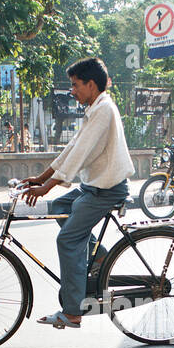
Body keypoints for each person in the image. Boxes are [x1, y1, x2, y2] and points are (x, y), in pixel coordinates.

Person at [20, 57, 134, 329]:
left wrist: (46, 186)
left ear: (91, 85)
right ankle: (101, 255)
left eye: (75, 85)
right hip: (94, 185)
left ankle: (72, 311)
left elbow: (80, 154)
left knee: (68, 240)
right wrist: (42, 177)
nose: (72, 91)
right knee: (61, 207)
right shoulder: (96, 108)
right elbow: (73, 147)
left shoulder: (104, 109)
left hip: (106, 189)